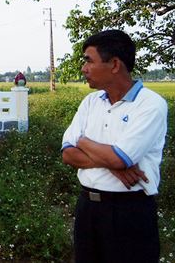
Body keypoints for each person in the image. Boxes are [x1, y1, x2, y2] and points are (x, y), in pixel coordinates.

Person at [61, 30, 167, 262]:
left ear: (115, 64)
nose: (83, 68)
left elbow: (120, 158)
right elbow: (68, 154)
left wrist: (83, 141)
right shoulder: (91, 102)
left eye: (89, 60)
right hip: (88, 208)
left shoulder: (150, 105)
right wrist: (111, 163)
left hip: (129, 212)